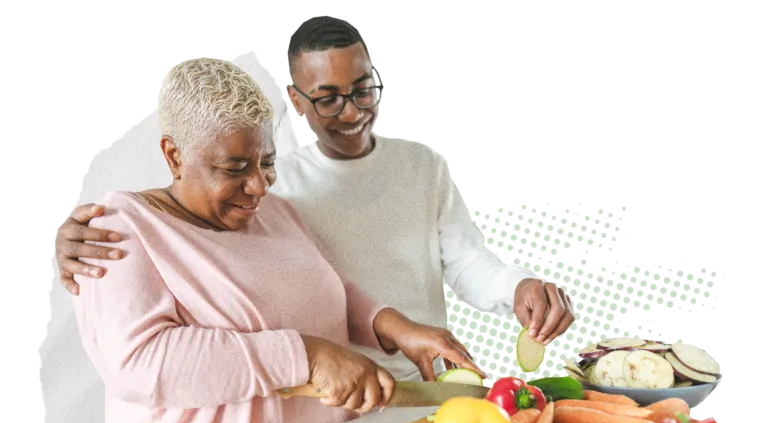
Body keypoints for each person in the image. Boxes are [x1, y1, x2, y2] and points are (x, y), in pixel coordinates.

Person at [55, 16, 576, 382]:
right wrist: (94, 228)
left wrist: (516, 285)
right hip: (322, 390)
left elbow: (465, 261)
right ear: (295, 100)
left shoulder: (420, 166)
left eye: (363, 89)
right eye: (326, 97)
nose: (350, 112)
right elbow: (191, 190)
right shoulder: (269, 179)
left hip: (424, 374)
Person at [70, 56, 482, 423]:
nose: (259, 185)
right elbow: (142, 365)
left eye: (266, 162)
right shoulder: (114, 233)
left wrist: (392, 325)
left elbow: (323, 288)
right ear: (175, 156)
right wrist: (308, 356)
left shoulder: (276, 212)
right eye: (235, 168)